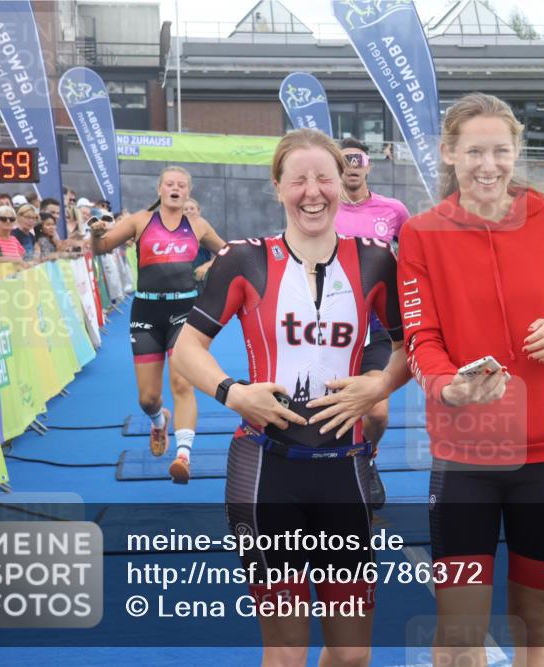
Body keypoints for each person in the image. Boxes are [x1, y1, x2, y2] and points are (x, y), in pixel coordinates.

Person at [173, 128, 409, 665]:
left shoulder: (376, 261)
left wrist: (380, 384)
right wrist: (234, 394)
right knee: (284, 654)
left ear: (340, 184)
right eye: (298, 179)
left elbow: (411, 348)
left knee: (352, 656)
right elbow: (187, 350)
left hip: (345, 469)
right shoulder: (242, 260)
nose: (313, 191)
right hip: (264, 468)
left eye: (323, 178)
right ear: (277, 186)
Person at [396, 93, 544, 667]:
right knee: (461, 628)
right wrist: (447, 386)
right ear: (449, 153)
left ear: (517, 151)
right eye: (473, 151)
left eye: (500, 150)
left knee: (537, 620)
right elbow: (422, 339)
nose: (487, 165)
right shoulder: (422, 234)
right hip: (465, 455)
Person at [90, 166, 226, 484]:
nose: (175, 188)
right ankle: (158, 420)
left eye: (181, 184)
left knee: (182, 384)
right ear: (160, 189)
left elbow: (228, 252)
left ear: (188, 192)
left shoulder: (198, 224)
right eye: (170, 184)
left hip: (185, 311)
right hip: (146, 311)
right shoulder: (140, 220)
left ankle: (183, 456)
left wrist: (209, 264)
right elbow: (101, 248)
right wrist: (96, 234)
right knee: (148, 398)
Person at [334, 137, 412, 510]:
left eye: (357, 158)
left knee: (376, 411)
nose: (352, 165)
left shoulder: (393, 210)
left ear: (369, 166)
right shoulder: (323, 207)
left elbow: (414, 256)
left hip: (377, 327)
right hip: (328, 328)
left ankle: (367, 456)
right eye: (344, 159)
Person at [183, 198, 214, 287]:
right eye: (185, 209)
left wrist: (206, 266)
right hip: (182, 285)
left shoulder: (204, 231)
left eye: (192, 208)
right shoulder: (176, 233)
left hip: (201, 282)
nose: (188, 211)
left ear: (198, 211)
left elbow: (224, 252)